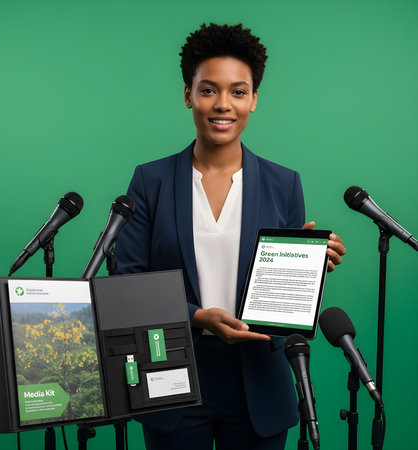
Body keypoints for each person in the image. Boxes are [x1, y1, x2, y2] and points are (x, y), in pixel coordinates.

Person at [114, 23, 346, 450]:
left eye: (238, 91)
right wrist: (197, 317)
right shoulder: (150, 181)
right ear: (188, 95)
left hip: (260, 378)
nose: (223, 104)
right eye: (208, 90)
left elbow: (282, 299)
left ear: (254, 99)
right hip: (173, 378)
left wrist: (312, 267)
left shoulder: (285, 183)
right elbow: (126, 284)